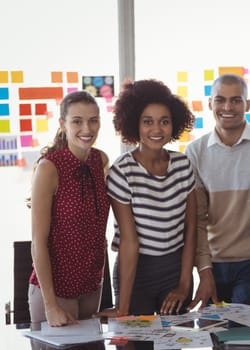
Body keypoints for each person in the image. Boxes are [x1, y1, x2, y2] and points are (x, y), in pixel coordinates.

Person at [185, 74, 250, 309]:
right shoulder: (195, 152)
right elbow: (197, 220)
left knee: (242, 341)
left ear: (248, 105)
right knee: (215, 338)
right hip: (214, 264)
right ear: (210, 103)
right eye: (220, 100)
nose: (227, 107)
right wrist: (204, 270)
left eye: (236, 100)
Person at [96, 79, 196, 317]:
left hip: (176, 270)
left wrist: (184, 284)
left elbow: (191, 229)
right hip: (136, 273)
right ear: (134, 125)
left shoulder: (182, 165)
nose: (157, 129)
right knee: (135, 342)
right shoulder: (123, 172)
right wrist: (123, 307)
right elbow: (130, 243)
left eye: (164, 122)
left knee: (175, 342)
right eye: (147, 122)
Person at [28, 90, 110, 327]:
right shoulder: (49, 168)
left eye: (93, 120)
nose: (87, 129)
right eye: (77, 121)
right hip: (56, 292)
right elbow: (37, 243)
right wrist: (50, 305)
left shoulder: (100, 161)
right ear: (63, 124)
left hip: (92, 287)